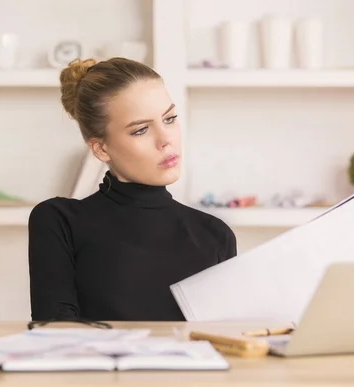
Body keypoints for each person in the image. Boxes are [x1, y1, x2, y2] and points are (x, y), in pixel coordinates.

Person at [28, 57, 237, 322]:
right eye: (141, 130)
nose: (166, 140)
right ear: (101, 148)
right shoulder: (60, 221)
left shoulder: (215, 235)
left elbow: (221, 342)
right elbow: (56, 332)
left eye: (170, 118)